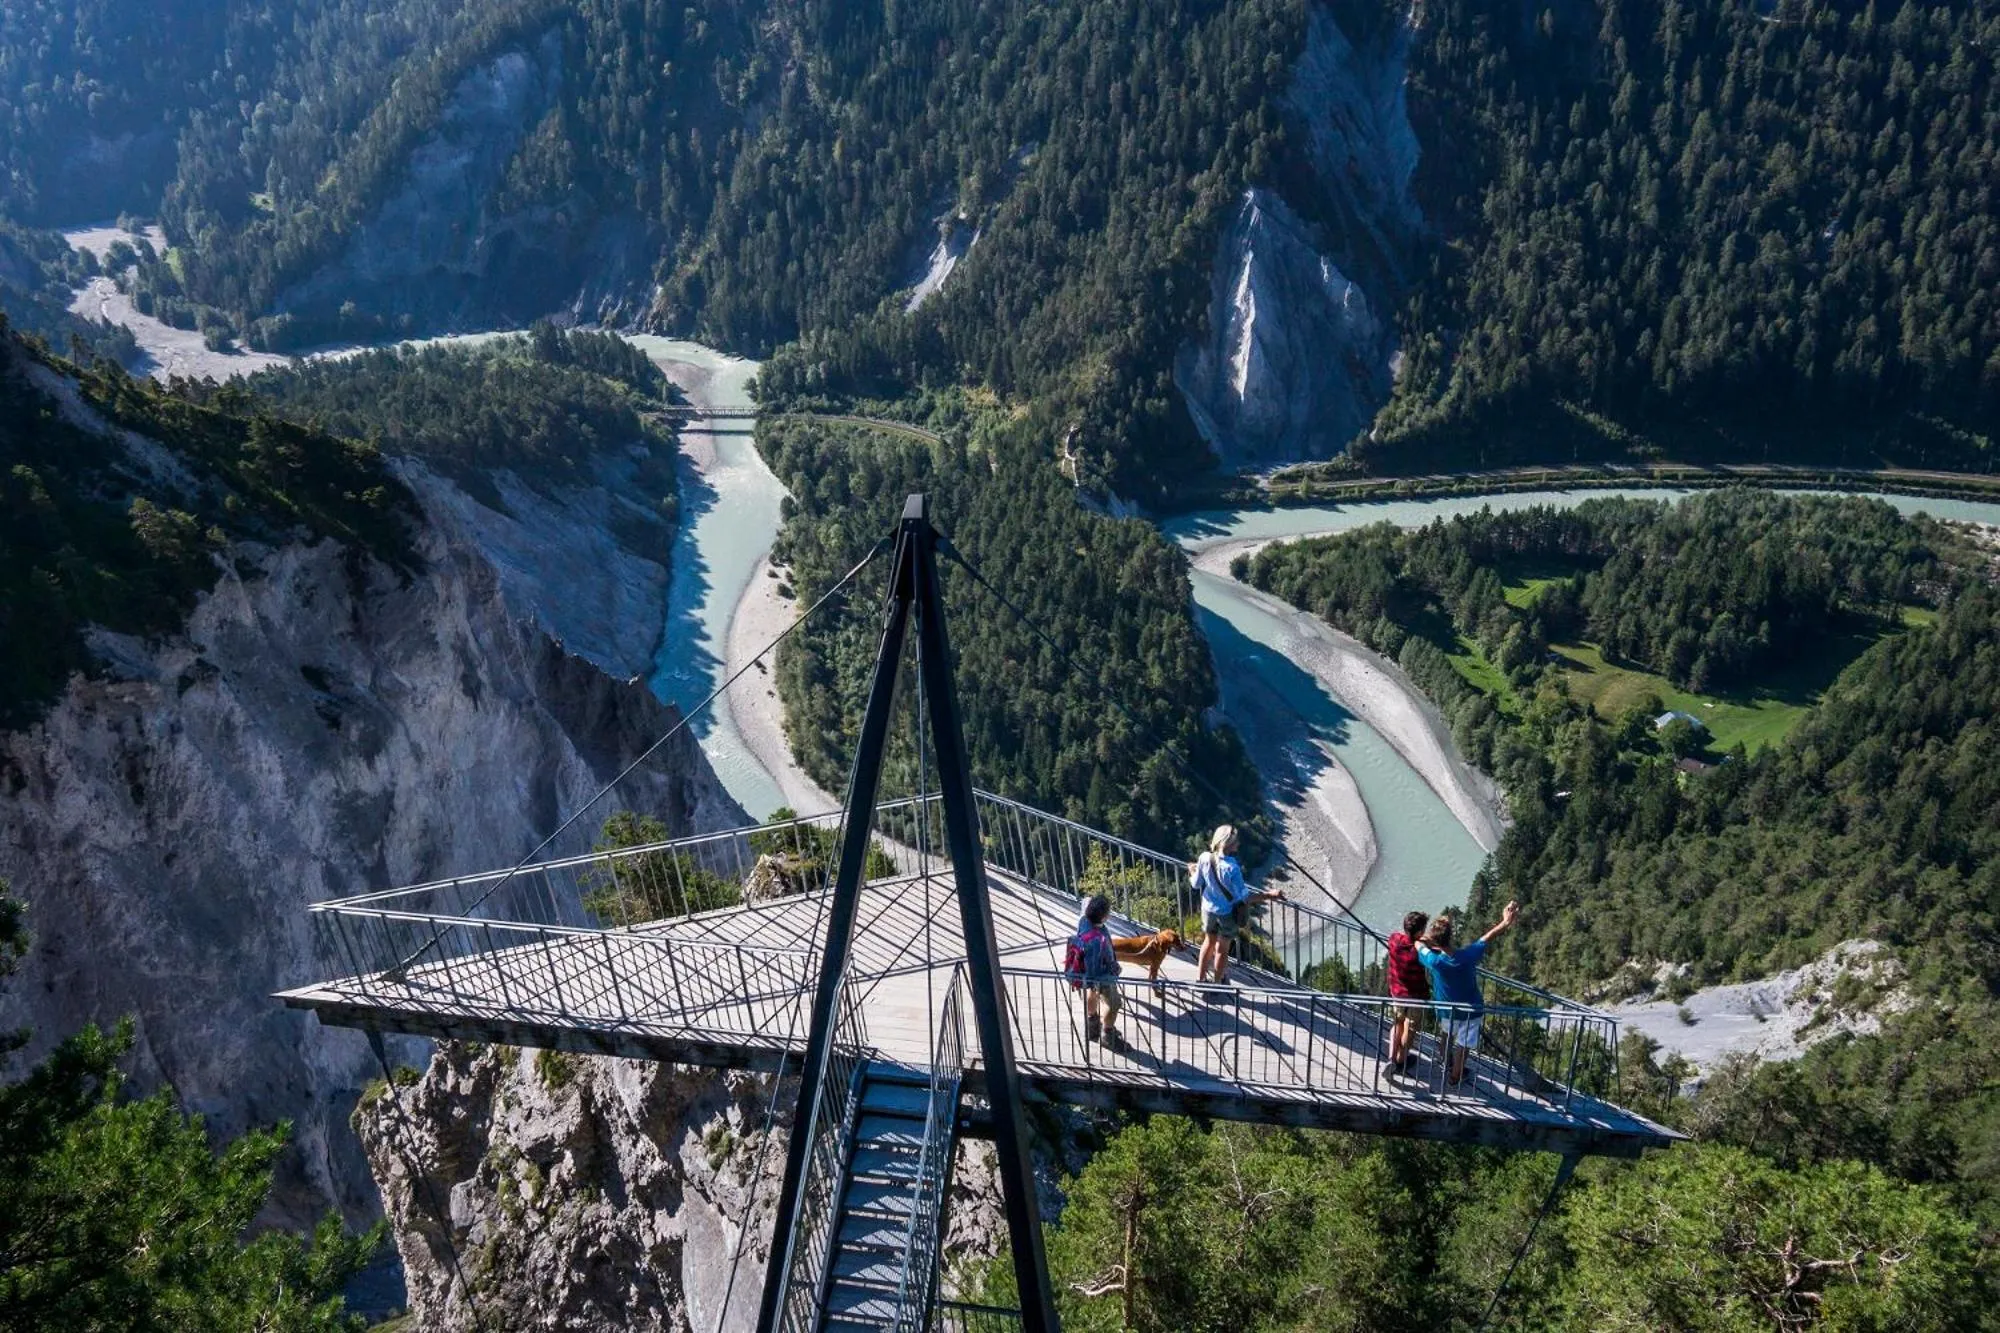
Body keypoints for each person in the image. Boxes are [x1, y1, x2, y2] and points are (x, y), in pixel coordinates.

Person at [1417, 902, 1520, 1087]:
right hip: (1472, 1009)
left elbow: (1418, 945)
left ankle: (1444, 1063)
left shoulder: (1434, 961)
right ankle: (1455, 1078)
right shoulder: (1468, 955)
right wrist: (1505, 922)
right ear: (1451, 936)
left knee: (1446, 1035)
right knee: (1463, 1045)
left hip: (1447, 1009)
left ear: (1435, 941)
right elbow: (1486, 938)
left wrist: (1424, 940)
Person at [1189, 824, 1283, 985]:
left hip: (1208, 910)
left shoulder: (1204, 858)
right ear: (1230, 844)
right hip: (1227, 913)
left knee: (1208, 942)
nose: (1238, 844)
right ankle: (1218, 983)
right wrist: (1269, 895)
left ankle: (1200, 979)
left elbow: (1196, 884)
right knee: (1222, 949)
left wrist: (1192, 870)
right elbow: (1244, 898)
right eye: (1236, 842)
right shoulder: (1232, 868)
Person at [1067, 894, 1128, 1053]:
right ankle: (1107, 1035)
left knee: (1090, 992)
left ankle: (1092, 1026)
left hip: (1084, 972)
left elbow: (1086, 902)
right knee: (1114, 1004)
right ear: (1103, 916)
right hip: (1100, 976)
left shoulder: (1084, 920)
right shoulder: (1097, 940)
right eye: (1108, 912)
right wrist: (1114, 969)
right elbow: (1098, 967)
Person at [1385, 910, 1430, 1074]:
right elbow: (1429, 955)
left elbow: (1400, 938)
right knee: (1409, 1029)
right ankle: (1401, 1061)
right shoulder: (1419, 952)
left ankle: (1391, 1058)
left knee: (1397, 1023)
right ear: (1419, 932)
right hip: (1415, 997)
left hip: (1397, 994)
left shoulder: (1394, 940)